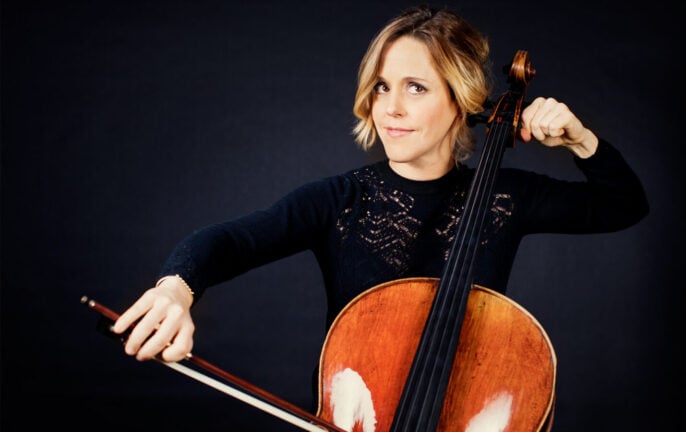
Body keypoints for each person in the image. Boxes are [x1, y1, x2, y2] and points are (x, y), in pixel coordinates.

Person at [112, 3, 648, 429]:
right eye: (382, 87)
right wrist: (176, 288)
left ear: (460, 99)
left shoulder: (507, 197)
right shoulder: (339, 200)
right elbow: (234, 240)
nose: (389, 107)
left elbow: (624, 204)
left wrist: (581, 139)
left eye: (415, 87)